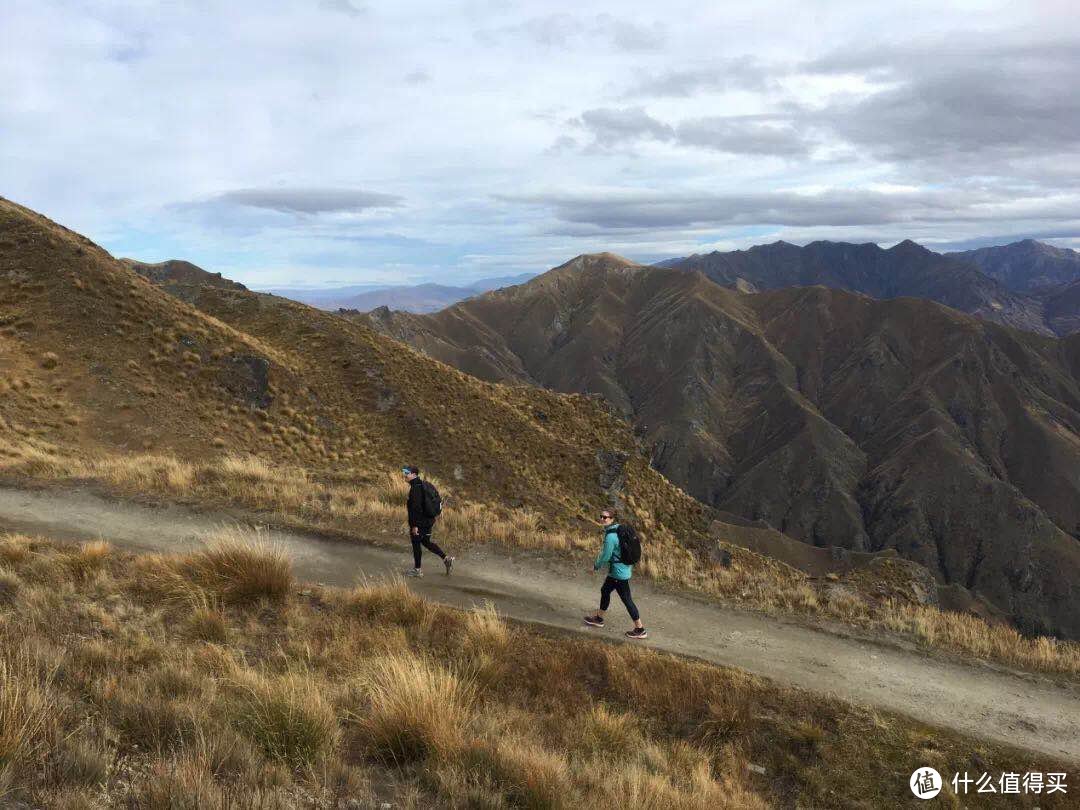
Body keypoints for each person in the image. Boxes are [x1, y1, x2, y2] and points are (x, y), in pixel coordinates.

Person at [584, 509, 647, 639]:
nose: (602, 519)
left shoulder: (611, 537)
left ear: (612, 519)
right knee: (605, 590)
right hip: (620, 570)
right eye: (601, 516)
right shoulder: (618, 529)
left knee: (627, 600)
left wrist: (595, 567)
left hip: (618, 573)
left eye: (605, 517)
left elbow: (605, 556)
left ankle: (640, 629)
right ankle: (599, 619)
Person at [403, 465, 453, 577]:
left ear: (414, 474)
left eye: (407, 472)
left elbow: (416, 509)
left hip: (420, 522)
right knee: (426, 542)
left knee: (416, 543)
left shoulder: (415, 488)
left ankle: (417, 570)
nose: (404, 475)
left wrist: (414, 526)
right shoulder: (424, 484)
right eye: (404, 472)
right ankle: (446, 559)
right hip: (428, 520)